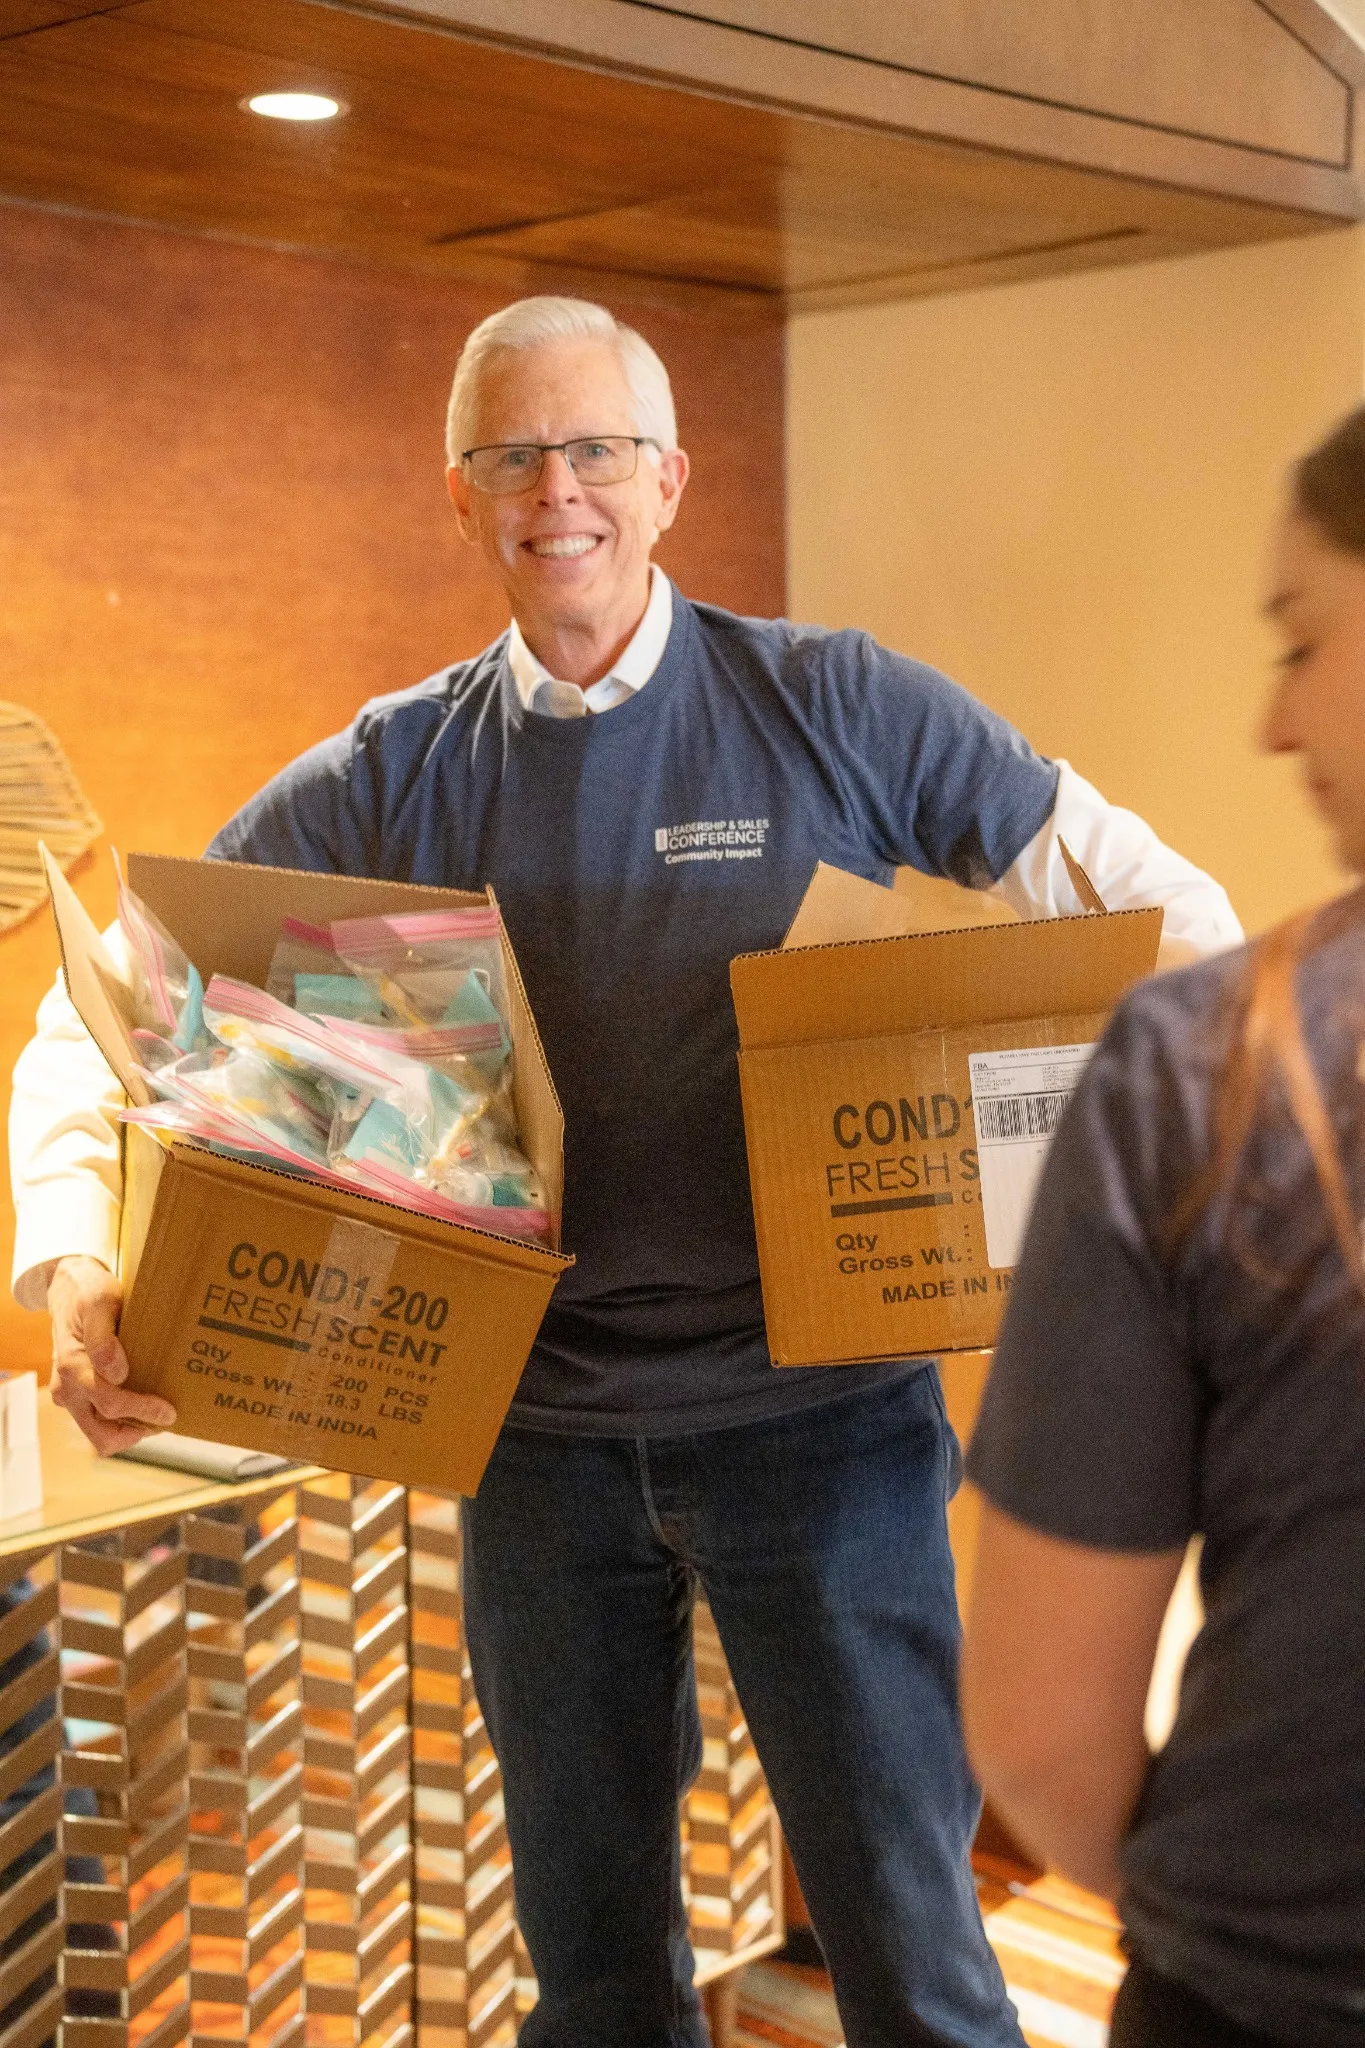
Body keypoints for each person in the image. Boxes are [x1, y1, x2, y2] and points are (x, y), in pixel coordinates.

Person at [11, 296, 1242, 2048]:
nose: (555, 491)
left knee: (913, 1946)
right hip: (536, 1443)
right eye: (512, 455)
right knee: (593, 1970)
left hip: (826, 1430)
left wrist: (1169, 1205)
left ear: (669, 482)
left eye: (593, 450)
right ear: (460, 497)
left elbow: (1159, 913)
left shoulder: (832, 703)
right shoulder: (390, 774)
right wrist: (74, 1261)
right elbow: (104, 998)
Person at [961, 406, 1365, 2046]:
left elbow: (1043, 1739)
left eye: (1305, 638)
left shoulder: (1204, 1072)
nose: (1274, 722)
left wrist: (1226, 1917)